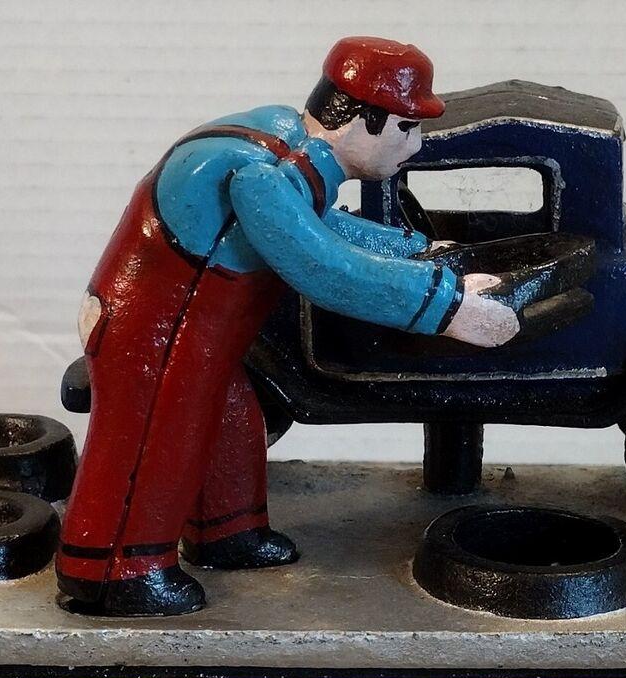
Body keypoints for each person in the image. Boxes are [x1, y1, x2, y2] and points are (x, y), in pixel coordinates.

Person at [57, 36, 519, 616]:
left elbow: (321, 228)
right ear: (363, 121)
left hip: (199, 324)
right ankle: (110, 570)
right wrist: (447, 308)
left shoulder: (291, 145)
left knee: (230, 421)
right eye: (407, 128)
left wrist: (417, 250)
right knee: (155, 439)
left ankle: (225, 533)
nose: (415, 145)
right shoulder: (264, 176)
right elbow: (319, 266)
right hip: (158, 324)